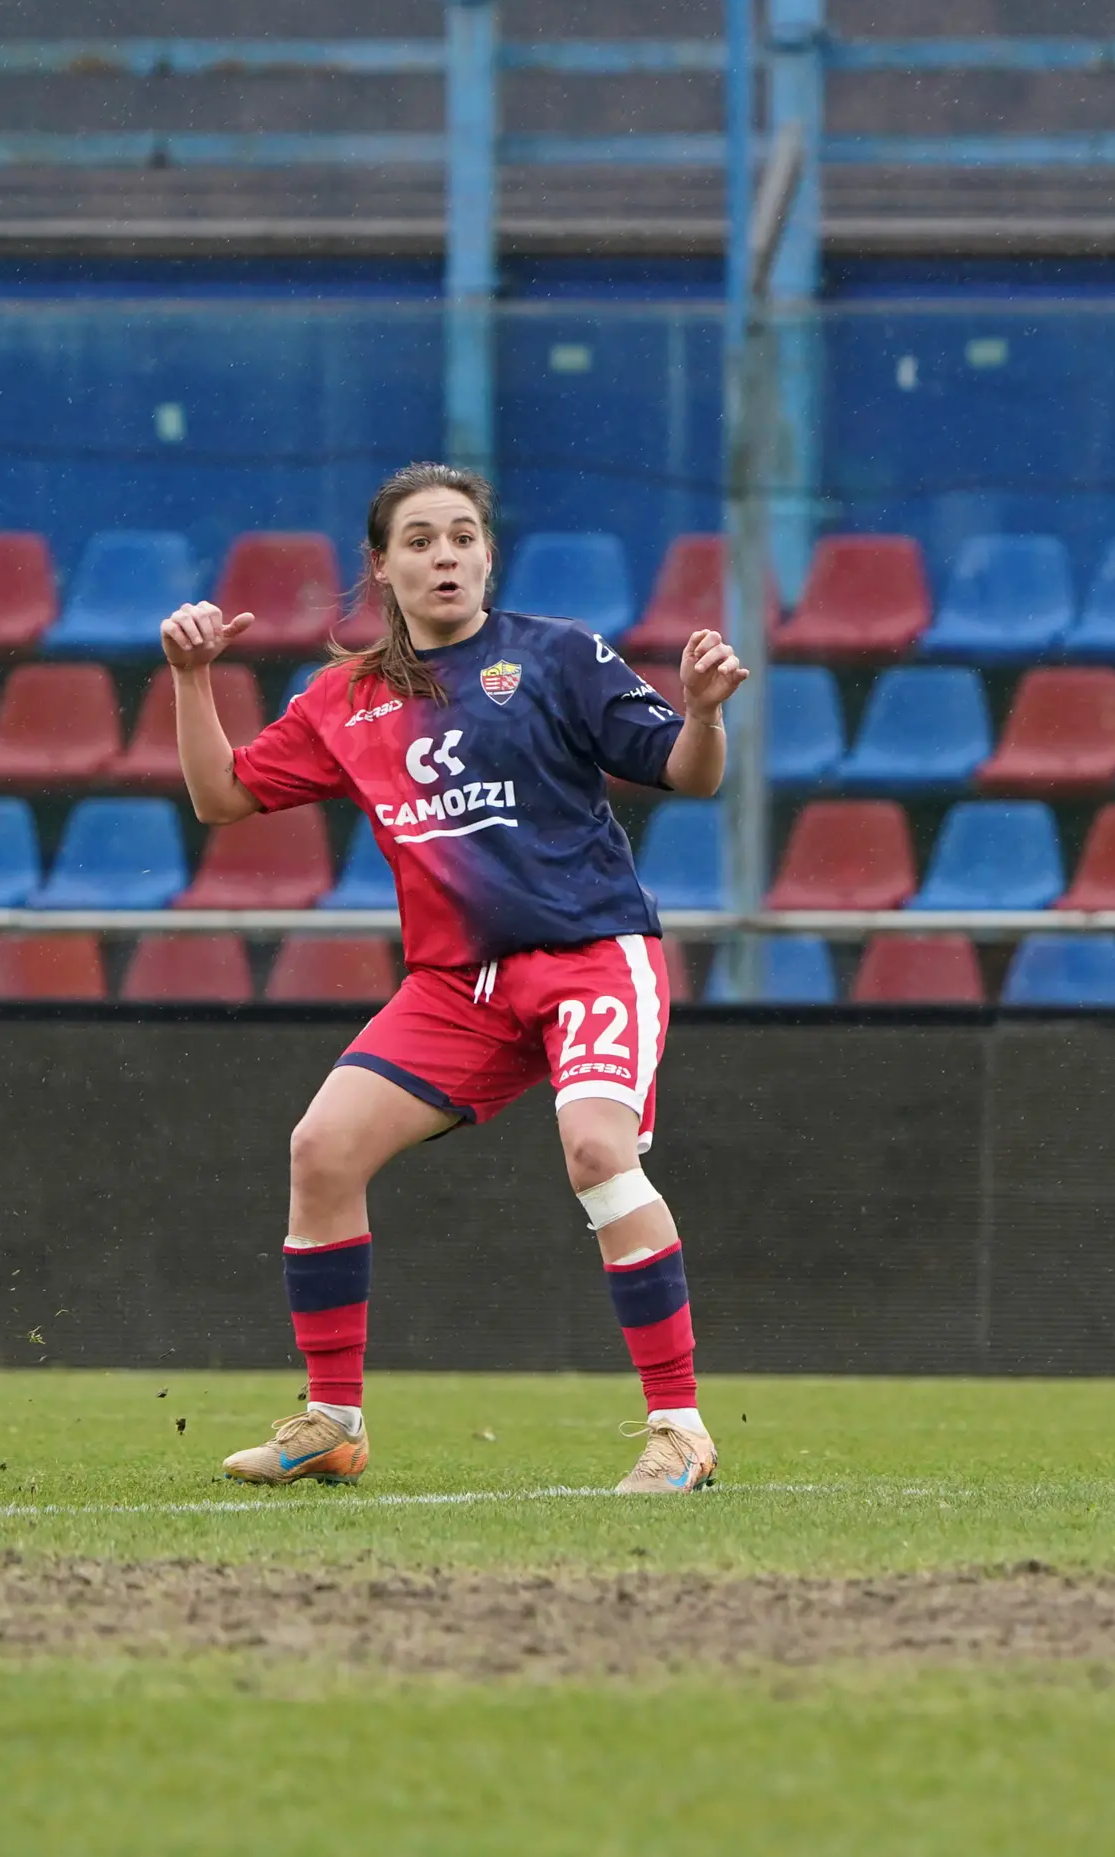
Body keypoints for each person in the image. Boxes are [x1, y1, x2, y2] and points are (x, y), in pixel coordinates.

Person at [164, 461, 748, 1495]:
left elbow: (686, 773)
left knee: (596, 1150)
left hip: (592, 956)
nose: (446, 555)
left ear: (488, 554)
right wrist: (192, 678)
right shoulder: (344, 698)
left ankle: (680, 1430)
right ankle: (332, 1423)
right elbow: (219, 798)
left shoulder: (555, 655)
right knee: (321, 1149)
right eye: (422, 540)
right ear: (381, 567)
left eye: (464, 536)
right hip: (457, 986)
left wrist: (701, 713)